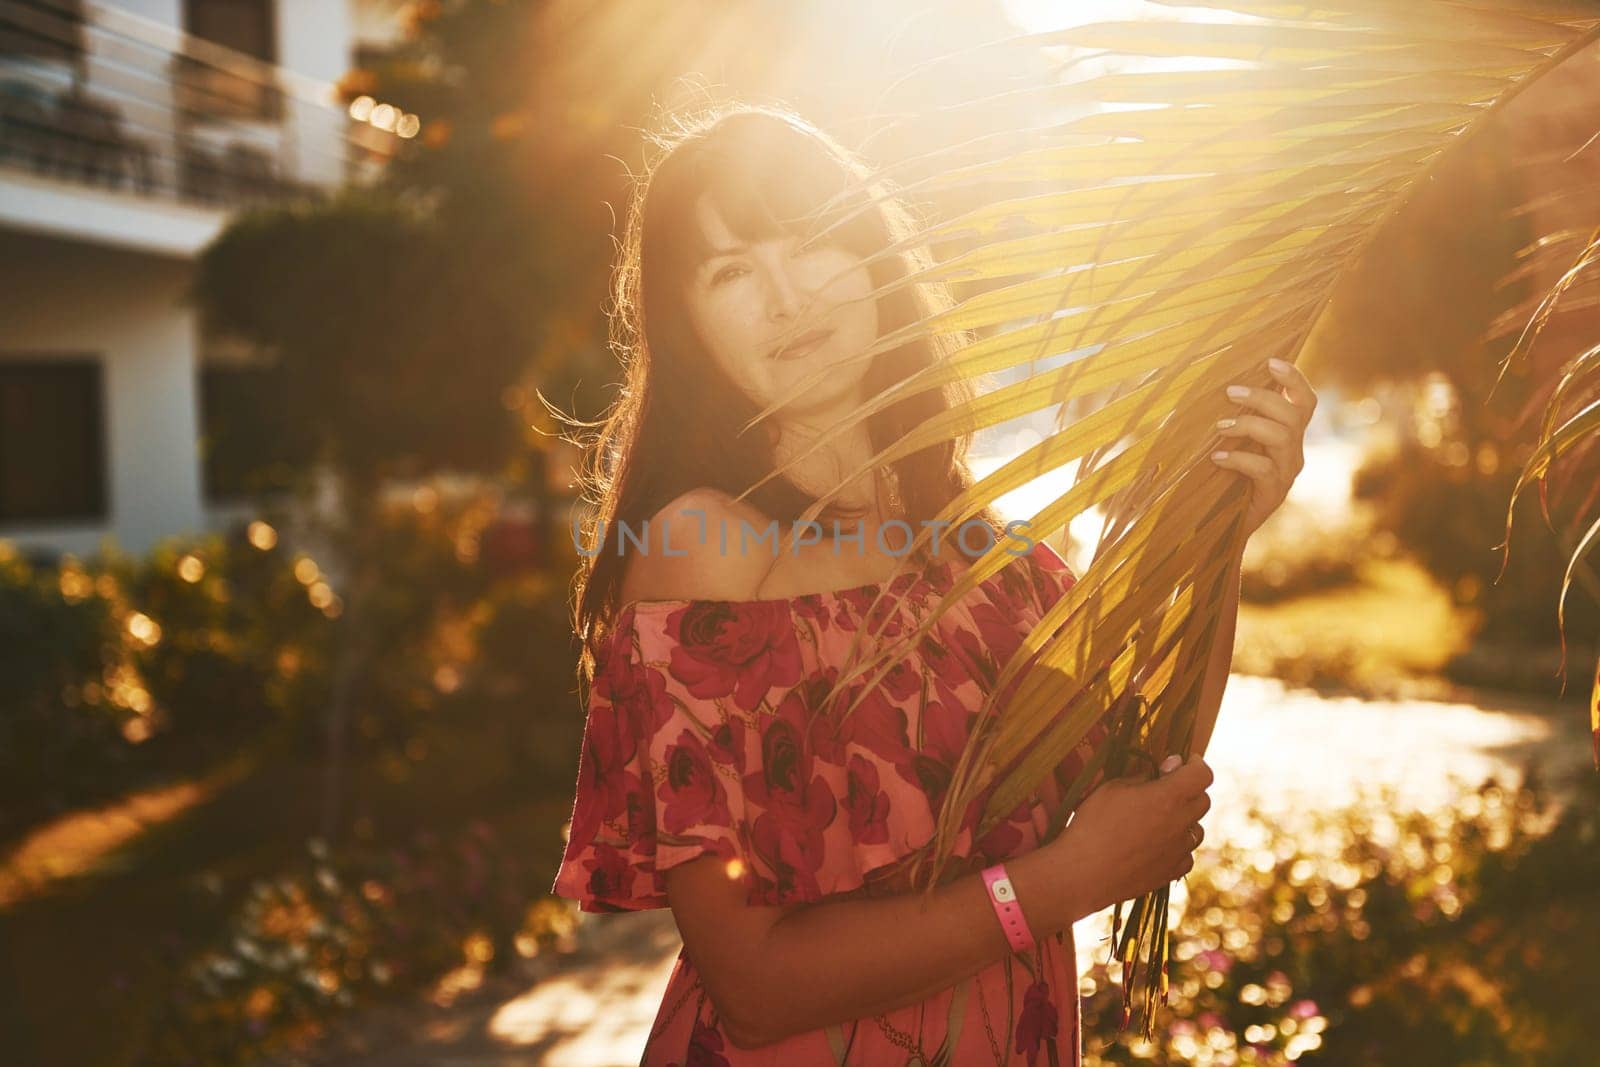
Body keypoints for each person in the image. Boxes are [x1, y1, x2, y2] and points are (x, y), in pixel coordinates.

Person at [553, 103, 1316, 1065]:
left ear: (876, 258)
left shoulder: (982, 550)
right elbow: (751, 985)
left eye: (810, 241)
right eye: (733, 270)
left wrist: (1217, 539)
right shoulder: (709, 544)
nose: (787, 298)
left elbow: (1148, 777)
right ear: (690, 323)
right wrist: (1056, 884)